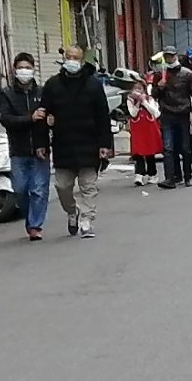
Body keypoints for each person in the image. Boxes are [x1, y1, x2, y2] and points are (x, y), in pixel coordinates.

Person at [38, 45, 115, 237]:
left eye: (75, 57)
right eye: (69, 57)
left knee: (88, 186)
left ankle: (87, 220)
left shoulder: (93, 84)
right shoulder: (52, 85)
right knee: (62, 186)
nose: (71, 60)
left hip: (89, 143)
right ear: (64, 58)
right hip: (63, 144)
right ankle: (72, 211)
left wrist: (105, 144)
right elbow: (43, 114)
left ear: (81, 61)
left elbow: (103, 116)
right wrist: (42, 142)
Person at [0, 52, 53, 239]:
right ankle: (30, 218)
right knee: (19, 189)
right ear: (14, 70)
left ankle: (35, 226)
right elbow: (6, 119)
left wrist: (47, 130)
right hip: (18, 150)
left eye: (27, 68)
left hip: (40, 150)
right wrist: (30, 118)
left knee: (39, 190)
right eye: (20, 68)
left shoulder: (42, 93)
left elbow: (48, 119)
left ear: (33, 70)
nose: (24, 71)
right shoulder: (7, 94)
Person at [153, 52, 192, 189]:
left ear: (175, 56)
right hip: (166, 114)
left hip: (182, 114)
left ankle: (188, 176)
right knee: (168, 148)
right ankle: (170, 178)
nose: (169, 59)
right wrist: (160, 87)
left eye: (171, 56)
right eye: (167, 57)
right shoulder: (160, 74)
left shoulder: (187, 74)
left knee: (185, 147)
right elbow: (154, 94)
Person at [125, 79, 164, 193]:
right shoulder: (130, 100)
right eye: (135, 88)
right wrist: (137, 103)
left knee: (150, 152)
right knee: (138, 151)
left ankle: (152, 174)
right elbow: (133, 113)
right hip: (137, 128)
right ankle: (139, 174)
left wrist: (144, 102)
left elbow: (156, 113)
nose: (137, 91)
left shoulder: (150, 99)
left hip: (149, 128)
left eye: (140, 88)